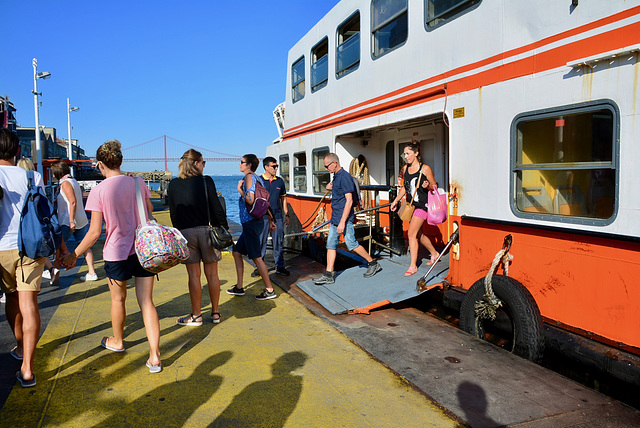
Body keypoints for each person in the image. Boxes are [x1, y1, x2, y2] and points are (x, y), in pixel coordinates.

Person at [62, 140, 162, 373]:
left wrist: (73, 255)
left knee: (118, 300)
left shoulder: (98, 191)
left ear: (100, 164)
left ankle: (118, 341)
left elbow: (95, 232)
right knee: (146, 302)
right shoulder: (137, 182)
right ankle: (155, 356)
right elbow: (150, 211)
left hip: (116, 253)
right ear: (120, 160)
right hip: (143, 249)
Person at [0, 128, 58, 387]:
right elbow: (44, 212)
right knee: (29, 303)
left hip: (1, 249)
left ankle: (21, 347)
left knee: (11, 299)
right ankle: (27, 369)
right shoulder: (32, 176)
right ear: (17, 151)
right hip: (30, 246)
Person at [168, 149, 228, 325]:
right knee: (212, 274)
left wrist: (180, 233)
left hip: (185, 233)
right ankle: (215, 313)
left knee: (194, 276)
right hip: (207, 231)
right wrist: (223, 227)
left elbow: (174, 213)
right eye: (203, 163)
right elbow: (216, 207)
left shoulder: (173, 184)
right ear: (196, 163)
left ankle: (196, 315)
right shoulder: (206, 181)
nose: (204, 166)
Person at [313, 153, 381, 285]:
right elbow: (338, 191)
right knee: (330, 245)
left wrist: (343, 222)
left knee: (351, 244)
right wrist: (329, 186)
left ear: (335, 163)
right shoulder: (337, 176)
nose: (326, 169)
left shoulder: (344, 177)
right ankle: (328, 274)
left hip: (343, 218)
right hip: (336, 218)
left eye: (327, 166)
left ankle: (373, 263)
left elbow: (349, 201)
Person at [227, 154, 278, 300]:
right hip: (255, 221)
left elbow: (251, 200)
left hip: (250, 223)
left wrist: (240, 190)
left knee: (257, 257)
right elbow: (264, 202)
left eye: (242, 162)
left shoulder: (249, 177)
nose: (239, 164)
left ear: (249, 165)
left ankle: (269, 289)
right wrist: (270, 219)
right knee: (237, 252)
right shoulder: (259, 178)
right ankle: (239, 287)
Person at [390, 141, 439, 276]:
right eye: (404, 154)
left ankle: (413, 266)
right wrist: (395, 201)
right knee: (418, 234)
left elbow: (434, 187)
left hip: (422, 206)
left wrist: (427, 185)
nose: (405, 156)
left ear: (416, 153)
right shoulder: (405, 169)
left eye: (408, 153)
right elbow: (404, 188)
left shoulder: (425, 169)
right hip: (411, 206)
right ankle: (435, 254)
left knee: (411, 234)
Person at [50, 161, 98, 282]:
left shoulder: (65, 183)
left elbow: (72, 202)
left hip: (68, 221)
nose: (53, 175)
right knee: (84, 245)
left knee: (58, 246)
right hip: (81, 219)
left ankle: (54, 275)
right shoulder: (74, 181)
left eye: (53, 173)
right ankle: (92, 272)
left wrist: (71, 221)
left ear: (58, 172)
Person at [15, 157, 60, 284]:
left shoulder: (13, 178)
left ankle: (49, 269)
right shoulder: (36, 177)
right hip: (35, 223)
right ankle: (50, 268)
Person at [252, 156, 290, 277]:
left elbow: (283, 199)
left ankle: (280, 266)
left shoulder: (280, 181)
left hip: (277, 216)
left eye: (276, 166)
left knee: (278, 242)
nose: (276, 168)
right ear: (266, 167)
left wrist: (286, 214)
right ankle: (260, 267)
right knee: (261, 242)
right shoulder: (259, 181)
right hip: (262, 217)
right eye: (274, 166)